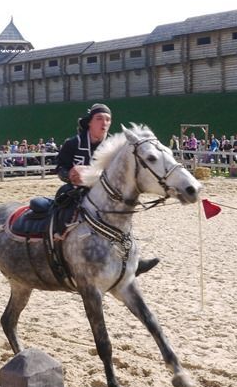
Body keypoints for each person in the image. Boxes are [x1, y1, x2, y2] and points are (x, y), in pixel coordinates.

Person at [55, 103, 159, 277]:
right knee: (61, 207)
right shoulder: (73, 143)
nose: (104, 122)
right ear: (90, 122)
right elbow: (60, 168)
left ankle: (132, 260)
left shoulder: (113, 147)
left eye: (108, 119)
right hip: (77, 191)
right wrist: (69, 174)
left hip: (105, 193)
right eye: (99, 118)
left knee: (122, 216)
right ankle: (58, 252)